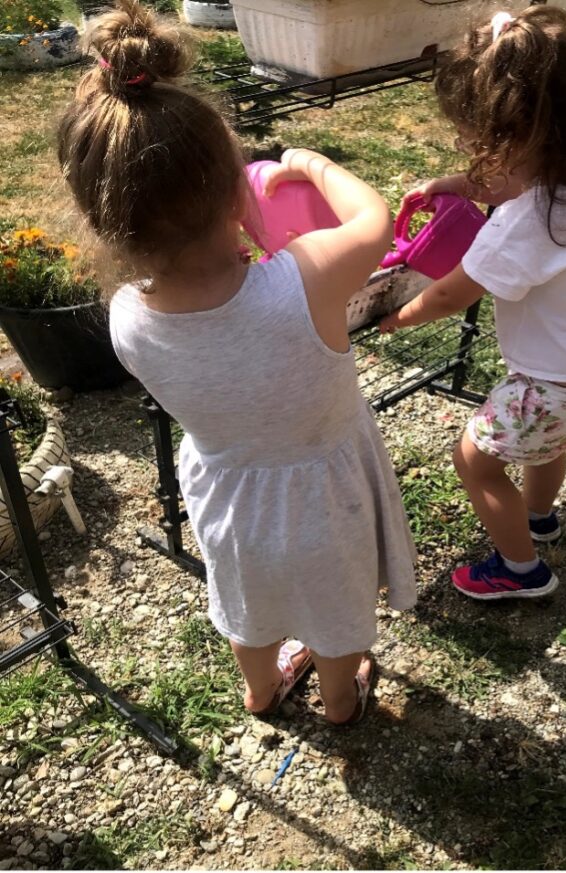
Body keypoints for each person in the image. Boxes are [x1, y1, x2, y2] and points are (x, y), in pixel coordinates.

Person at [58, 0, 416, 723]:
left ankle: (260, 688)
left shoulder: (127, 315)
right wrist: (305, 161)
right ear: (235, 190)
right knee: (337, 606)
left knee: (246, 608)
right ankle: (341, 699)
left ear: (105, 221)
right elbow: (373, 220)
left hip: (227, 495)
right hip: (327, 493)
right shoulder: (302, 279)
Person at [380, 6, 566, 601]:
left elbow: (454, 290)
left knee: (475, 462)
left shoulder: (526, 224)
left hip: (553, 387)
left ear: (511, 137)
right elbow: (525, 180)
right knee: (549, 441)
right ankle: (539, 516)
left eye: (477, 142)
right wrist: (458, 185)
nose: (471, 150)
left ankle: (519, 570)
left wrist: (402, 314)